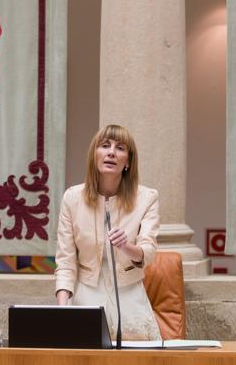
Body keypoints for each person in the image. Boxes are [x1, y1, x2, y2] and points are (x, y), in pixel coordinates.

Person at [55, 124, 161, 340]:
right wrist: (62, 310)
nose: (111, 152)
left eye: (120, 148)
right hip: (86, 293)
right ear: (95, 155)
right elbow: (66, 262)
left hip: (129, 294)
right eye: (105, 146)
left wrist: (126, 246)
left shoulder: (147, 198)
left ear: (128, 162)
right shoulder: (72, 198)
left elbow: (148, 252)